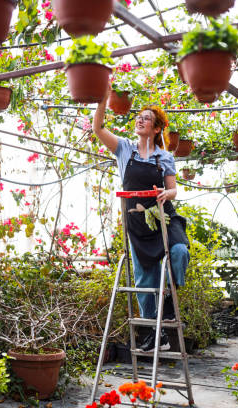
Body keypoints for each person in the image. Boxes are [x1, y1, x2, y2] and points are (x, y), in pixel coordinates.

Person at [93, 89, 190, 352]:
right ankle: (153, 333)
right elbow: (98, 128)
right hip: (137, 222)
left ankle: (168, 304)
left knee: (179, 252)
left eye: (146, 119)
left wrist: (164, 193)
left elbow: (173, 190)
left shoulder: (165, 157)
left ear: (157, 128)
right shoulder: (125, 149)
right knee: (145, 280)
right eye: (138, 117)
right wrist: (103, 98)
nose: (140, 120)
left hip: (163, 218)